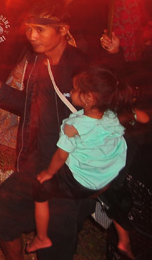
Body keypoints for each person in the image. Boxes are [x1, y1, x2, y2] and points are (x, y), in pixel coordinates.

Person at [0, 2, 91, 260]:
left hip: (67, 176)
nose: (32, 36)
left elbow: (101, 118)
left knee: (54, 250)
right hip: (34, 167)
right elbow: (29, 105)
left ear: (63, 29)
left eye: (40, 29)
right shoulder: (38, 62)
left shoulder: (81, 69)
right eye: (29, 29)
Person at [27, 66, 130, 253]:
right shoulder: (112, 116)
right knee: (114, 199)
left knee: (40, 189)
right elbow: (140, 117)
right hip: (107, 176)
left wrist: (48, 173)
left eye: (74, 89)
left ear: (89, 98)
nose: (71, 91)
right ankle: (124, 238)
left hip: (81, 182)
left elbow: (61, 155)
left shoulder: (74, 126)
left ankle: (41, 238)